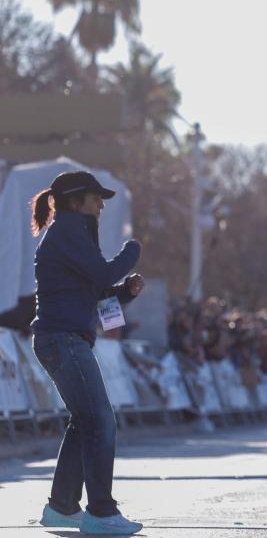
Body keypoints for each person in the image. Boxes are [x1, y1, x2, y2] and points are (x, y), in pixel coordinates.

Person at [29, 171, 146, 535]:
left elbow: (93, 293)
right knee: (100, 421)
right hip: (63, 339)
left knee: (86, 422)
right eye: (96, 199)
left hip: (62, 338)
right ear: (76, 201)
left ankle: (63, 508)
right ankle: (101, 512)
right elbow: (101, 274)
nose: (101, 206)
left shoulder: (73, 234)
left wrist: (124, 293)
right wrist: (133, 250)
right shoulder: (67, 232)